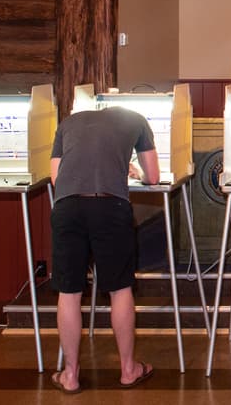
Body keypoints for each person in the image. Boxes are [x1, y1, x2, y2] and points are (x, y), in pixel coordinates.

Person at [49, 105, 159, 394]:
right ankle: (128, 370)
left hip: (67, 208)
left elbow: (55, 177)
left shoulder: (68, 123)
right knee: (119, 288)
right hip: (110, 206)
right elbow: (154, 176)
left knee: (69, 291)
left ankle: (70, 375)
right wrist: (132, 172)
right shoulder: (137, 120)